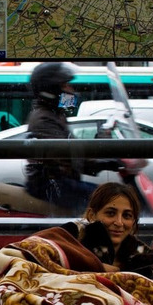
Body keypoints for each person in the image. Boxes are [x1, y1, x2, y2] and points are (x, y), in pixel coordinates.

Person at [59, 182, 153, 283]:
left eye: (127, 215)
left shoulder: (147, 261)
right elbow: (43, 252)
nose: (119, 223)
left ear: (133, 222)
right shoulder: (68, 236)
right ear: (91, 215)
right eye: (110, 213)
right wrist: (93, 266)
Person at [23, 62, 97, 212]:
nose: (72, 90)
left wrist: (108, 158)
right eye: (66, 86)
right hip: (50, 186)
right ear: (52, 90)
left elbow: (75, 152)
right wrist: (108, 162)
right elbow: (68, 155)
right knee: (108, 199)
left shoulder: (55, 115)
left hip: (60, 183)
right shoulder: (43, 119)